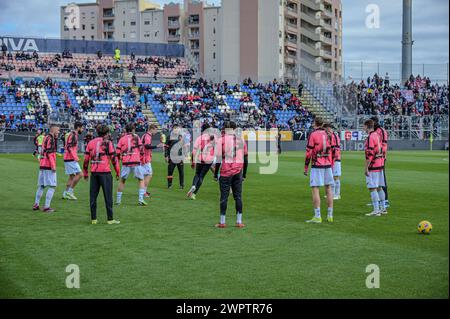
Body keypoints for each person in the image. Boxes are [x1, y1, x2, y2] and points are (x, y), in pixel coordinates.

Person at [83, 125, 120, 225]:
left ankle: (94, 219)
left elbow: (86, 160)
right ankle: (110, 219)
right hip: (105, 173)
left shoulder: (90, 143)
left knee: (93, 196)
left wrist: (85, 172)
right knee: (108, 196)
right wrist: (117, 172)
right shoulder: (108, 143)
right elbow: (114, 159)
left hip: (94, 173)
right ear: (107, 133)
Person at [213, 121, 248, 228]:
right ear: (235, 128)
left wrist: (215, 173)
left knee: (224, 197)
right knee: (238, 196)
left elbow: (218, 159)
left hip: (226, 171)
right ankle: (239, 221)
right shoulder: (241, 139)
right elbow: (246, 158)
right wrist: (244, 174)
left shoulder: (221, 140)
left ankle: (222, 222)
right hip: (238, 171)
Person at [304, 117, 334, 223]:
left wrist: (306, 167)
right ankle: (330, 215)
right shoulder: (328, 134)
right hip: (328, 165)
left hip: (317, 165)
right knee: (329, 189)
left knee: (315, 189)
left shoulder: (313, 134)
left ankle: (317, 216)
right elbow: (332, 151)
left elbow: (309, 153)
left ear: (315, 123)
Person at [116, 123, 146, 206]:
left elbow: (118, 151)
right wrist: (141, 158)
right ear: (133, 130)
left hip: (126, 162)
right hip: (136, 161)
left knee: (122, 181)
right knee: (141, 180)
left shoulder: (122, 139)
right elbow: (141, 149)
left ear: (126, 130)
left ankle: (118, 201)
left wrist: (120, 158)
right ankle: (140, 199)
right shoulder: (136, 137)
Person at [33, 124, 60, 213]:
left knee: (41, 185)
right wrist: (53, 166)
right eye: (58, 130)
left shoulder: (45, 137)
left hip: (42, 164)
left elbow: (42, 151)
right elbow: (49, 153)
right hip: (48, 165)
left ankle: (36, 204)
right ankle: (47, 207)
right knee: (52, 186)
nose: (59, 132)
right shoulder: (51, 139)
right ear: (53, 130)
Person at [363, 119, 387, 217]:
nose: (363, 128)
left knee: (372, 188)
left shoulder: (370, 137)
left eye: (363, 126)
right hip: (380, 164)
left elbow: (370, 154)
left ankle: (376, 210)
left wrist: (366, 168)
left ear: (367, 126)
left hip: (373, 165)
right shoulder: (377, 135)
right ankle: (383, 208)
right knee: (379, 187)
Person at [187, 123, 216, 200]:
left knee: (197, 174)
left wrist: (193, 162)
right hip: (209, 160)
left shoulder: (199, 138)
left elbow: (194, 151)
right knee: (202, 176)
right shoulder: (213, 137)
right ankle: (194, 194)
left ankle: (193, 185)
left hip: (200, 159)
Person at [140, 124, 163, 198]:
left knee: (145, 175)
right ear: (151, 129)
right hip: (144, 158)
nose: (156, 131)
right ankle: (143, 192)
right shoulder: (147, 136)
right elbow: (147, 146)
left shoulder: (145, 135)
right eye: (155, 129)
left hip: (143, 157)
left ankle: (143, 191)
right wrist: (157, 146)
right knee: (149, 174)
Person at [62, 121, 84, 200]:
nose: (83, 129)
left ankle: (65, 193)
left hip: (67, 158)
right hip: (70, 158)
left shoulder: (72, 134)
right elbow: (70, 147)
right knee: (80, 174)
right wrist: (75, 157)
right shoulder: (74, 135)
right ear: (78, 127)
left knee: (72, 177)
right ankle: (70, 192)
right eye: (82, 128)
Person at [371, 116, 389, 208]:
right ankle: (378, 200)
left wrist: (381, 155)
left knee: (382, 180)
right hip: (376, 158)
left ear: (375, 122)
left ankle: (385, 200)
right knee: (377, 181)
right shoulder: (374, 132)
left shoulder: (381, 131)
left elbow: (384, 145)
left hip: (380, 158)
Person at [324, 124, 342, 200]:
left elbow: (336, 150)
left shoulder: (334, 136)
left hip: (335, 159)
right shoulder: (328, 136)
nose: (326, 131)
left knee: (336, 177)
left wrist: (333, 160)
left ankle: (337, 194)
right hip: (330, 159)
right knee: (331, 177)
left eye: (327, 129)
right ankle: (332, 193)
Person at [165, 125, 185, 189]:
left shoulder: (181, 137)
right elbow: (166, 147)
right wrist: (166, 155)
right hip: (172, 157)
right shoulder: (169, 137)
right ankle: (169, 185)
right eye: (175, 129)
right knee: (170, 171)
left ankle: (181, 185)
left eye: (178, 129)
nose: (177, 130)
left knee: (181, 171)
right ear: (173, 129)